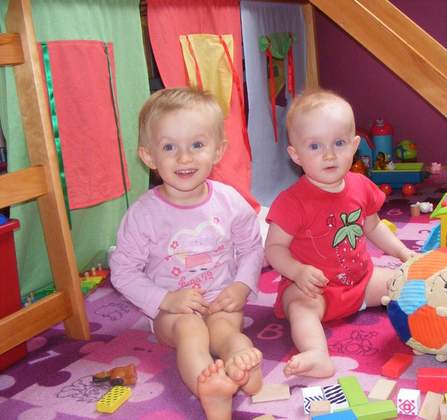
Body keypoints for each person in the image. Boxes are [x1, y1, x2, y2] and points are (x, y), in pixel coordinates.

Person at [110, 88, 264, 420]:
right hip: (172, 314)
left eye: (197, 145)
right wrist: (165, 299)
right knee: (192, 332)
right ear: (149, 157)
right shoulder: (144, 215)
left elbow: (252, 247)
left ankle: (244, 365)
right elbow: (122, 271)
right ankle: (209, 388)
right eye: (169, 147)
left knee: (226, 333)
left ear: (218, 150)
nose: (184, 158)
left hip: (221, 301)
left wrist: (240, 286)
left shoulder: (230, 201)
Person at [265, 89, 416, 378]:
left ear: (354, 145)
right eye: (315, 146)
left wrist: (402, 252)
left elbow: (373, 226)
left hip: (361, 281)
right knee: (301, 308)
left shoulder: (361, 185)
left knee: (405, 282)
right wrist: (297, 272)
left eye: (339, 143)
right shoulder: (291, 201)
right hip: (314, 290)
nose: (329, 154)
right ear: (296, 155)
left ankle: (441, 316)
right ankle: (315, 353)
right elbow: (274, 248)